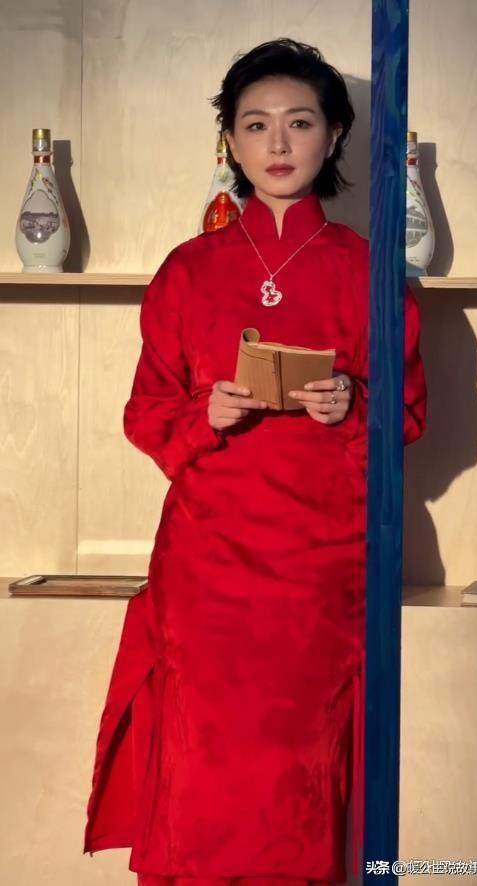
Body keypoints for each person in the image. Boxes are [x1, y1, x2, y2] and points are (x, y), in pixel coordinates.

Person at [84, 37, 427, 886]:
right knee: (201, 768)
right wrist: (201, 414)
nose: (277, 144)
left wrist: (352, 404)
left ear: (335, 134)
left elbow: (411, 415)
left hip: (320, 573)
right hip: (206, 572)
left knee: (298, 773)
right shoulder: (188, 271)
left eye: (299, 123)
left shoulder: (369, 271)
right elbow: (144, 412)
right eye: (255, 124)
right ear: (229, 143)